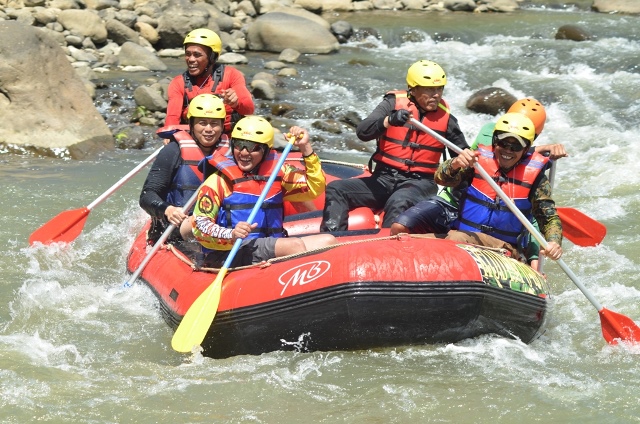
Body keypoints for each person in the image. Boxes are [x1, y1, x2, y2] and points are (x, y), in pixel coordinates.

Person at [319, 60, 469, 232]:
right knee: (337, 188)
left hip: (421, 183)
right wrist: (388, 121)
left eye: (439, 88)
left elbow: (462, 155)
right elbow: (362, 131)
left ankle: (386, 251)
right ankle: (333, 240)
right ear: (413, 89)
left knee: (399, 200)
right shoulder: (391, 104)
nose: (436, 94)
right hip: (383, 178)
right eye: (429, 89)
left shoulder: (447, 118)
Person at [390, 97, 568, 237]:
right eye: (505, 140)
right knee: (401, 226)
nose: (509, 147)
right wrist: (538, 149)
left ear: (532, 137)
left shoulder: (533, 166)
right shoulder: (490, 134)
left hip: (493, 224)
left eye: (522, 137)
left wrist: (549, 244)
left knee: (531, 223)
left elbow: (544, 215)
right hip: (454, 202)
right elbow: (500, 155)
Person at [192, 116, 338, 268]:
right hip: (229, 251)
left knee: (327, 241)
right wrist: (231, 234)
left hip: (267, 244)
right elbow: (199, 225)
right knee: (293, 246)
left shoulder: (278, 173)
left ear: (266, 150)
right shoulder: (217, 181)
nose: (244, 152)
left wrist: (305, 147)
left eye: (253, 147)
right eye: (239, 145)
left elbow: (315, 187)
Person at [433, 112, 563, 263]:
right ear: (495, 142)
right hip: (467, 236)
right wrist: (454, 164)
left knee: (455, 237)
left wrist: (554, 242)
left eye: (515, 146)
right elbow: (441, 179)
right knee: (412, 236)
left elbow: (548, 217)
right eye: (503, 144)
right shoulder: (477, 161)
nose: (508, 150)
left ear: (526, 149)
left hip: (503, 248)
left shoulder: (537, 179)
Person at [140, 94, 229, 245]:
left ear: (222, 126)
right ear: (191, 124)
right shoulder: (173, 151)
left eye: (214, 124)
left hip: (218, 223)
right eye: (202, 123)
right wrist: (167, 210)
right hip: (176, 227)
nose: (209, 129)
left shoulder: (232, 153)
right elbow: (147, 195)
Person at [165, 28, 254, 134]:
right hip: (194, 139)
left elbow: (249, 109)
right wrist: (169, 136)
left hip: (227, 138)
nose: (191, 59)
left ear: (212, 57)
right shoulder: (178, 83)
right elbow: (172, 118)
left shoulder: (232, 75)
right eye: (188, 54)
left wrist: (236, 104)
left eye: (197, 55)